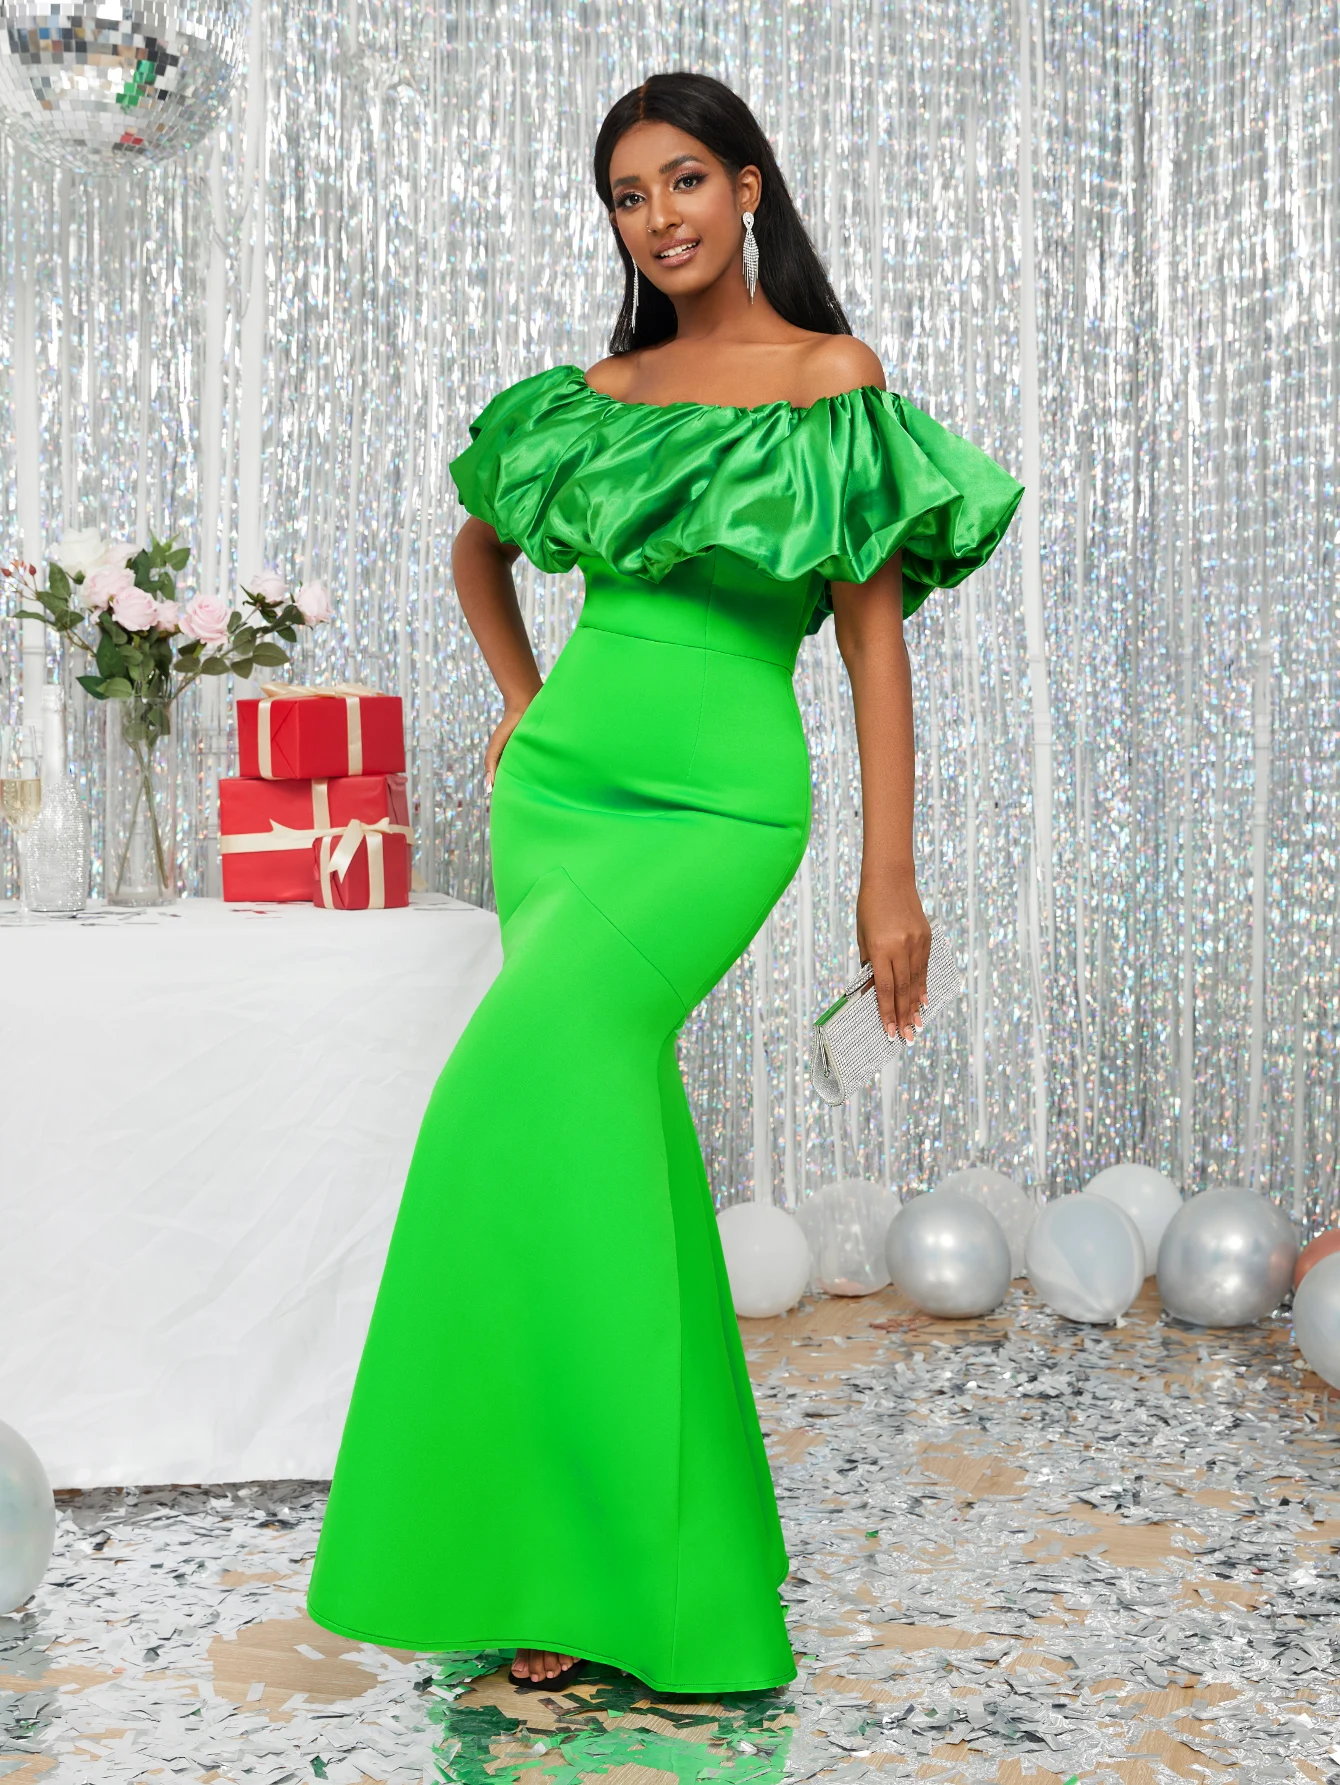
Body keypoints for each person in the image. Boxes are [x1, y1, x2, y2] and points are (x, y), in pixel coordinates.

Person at [307, 70, 1021, 1698]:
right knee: (600, 1145)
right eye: (630, 196)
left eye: (686, 179)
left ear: (749, 185)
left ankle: (590, 1555)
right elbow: (480, 543)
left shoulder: (831, 380)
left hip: (716, 808)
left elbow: (872, 645)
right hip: (562, 803)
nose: (660, 217)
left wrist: (889, 877)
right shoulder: (599, 392)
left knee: (511, 1105)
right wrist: (518, 698)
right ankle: (650, 1563)